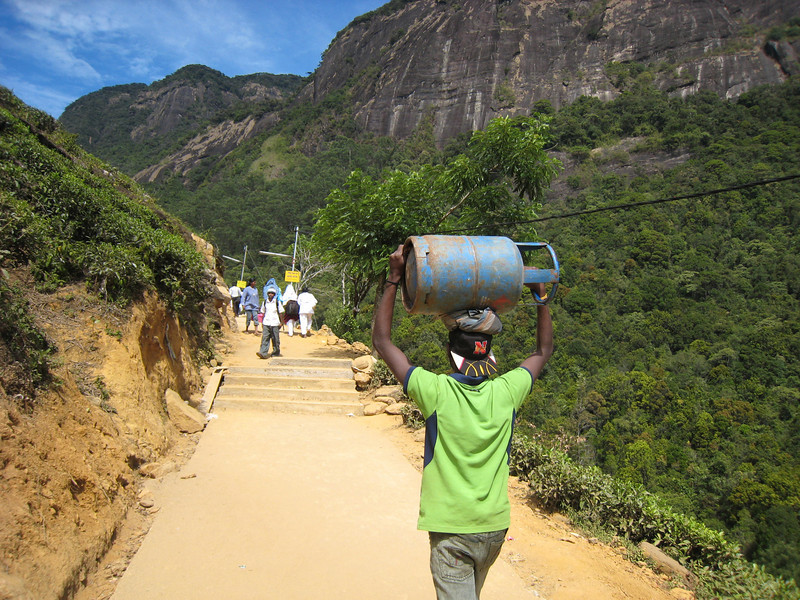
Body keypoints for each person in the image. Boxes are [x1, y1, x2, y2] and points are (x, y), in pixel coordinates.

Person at [372, 245, 553, 600]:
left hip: (452, 532)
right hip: (494, 528)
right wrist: (541, 299)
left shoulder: (436, 392)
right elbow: (542, 351)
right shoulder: (507, 392)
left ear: (453, 355)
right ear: (489, 351)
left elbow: (382, 341)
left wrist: (394, 278)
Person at [256, 288, 284, 358]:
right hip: (266, 322)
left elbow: (281, 312)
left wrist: (281, 322)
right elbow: (262, 312)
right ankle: (263, 352)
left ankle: (276, 352)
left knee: (276, 339)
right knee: (265, 338)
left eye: (272, 293)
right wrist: (262, 322)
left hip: (275, 323)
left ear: (274, 295)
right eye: (269, 293)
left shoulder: (277, 302)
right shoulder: (265, 302)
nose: (270, 294)